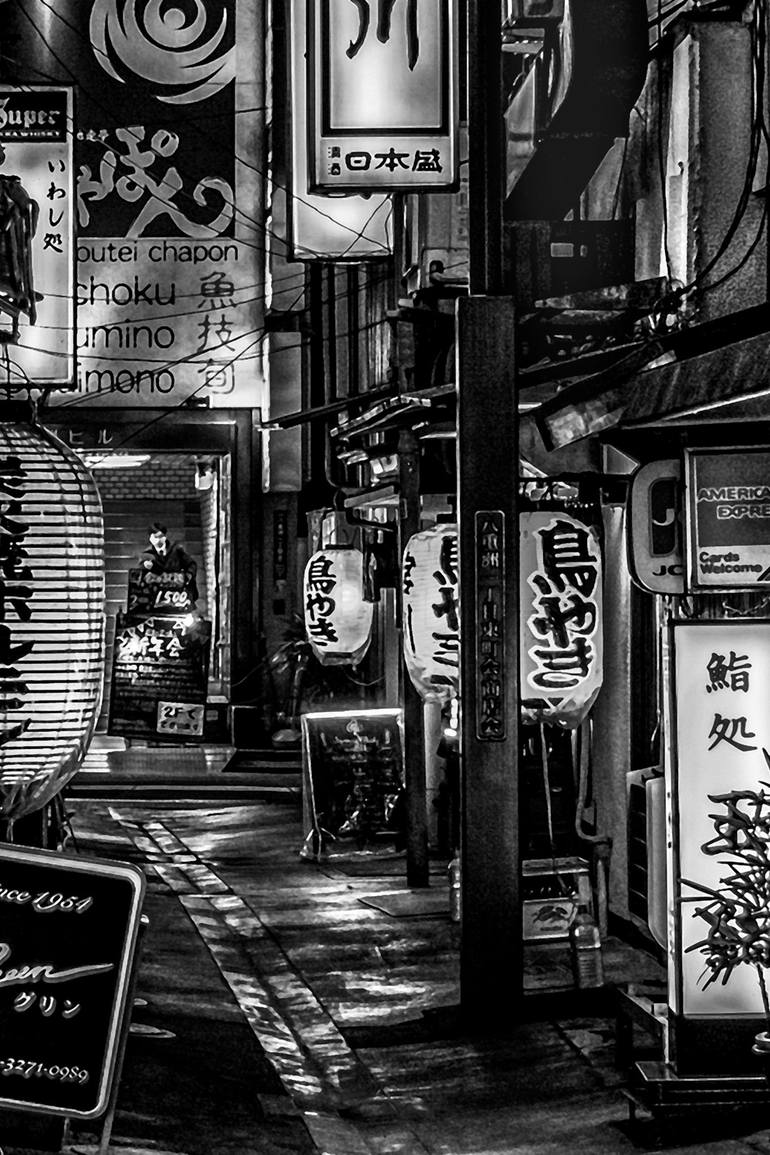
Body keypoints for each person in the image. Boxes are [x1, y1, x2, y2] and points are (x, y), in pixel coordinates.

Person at [141, 523, 199, 602]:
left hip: (178, 595)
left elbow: (191, 564)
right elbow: (140, 575)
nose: (158, 540)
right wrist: (146, 567)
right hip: (157, 597)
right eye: (155, 537)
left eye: (160, 537)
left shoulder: (176, 550)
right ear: (151, 538)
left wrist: (187, 576)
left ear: (164, 537)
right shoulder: (148, 554)